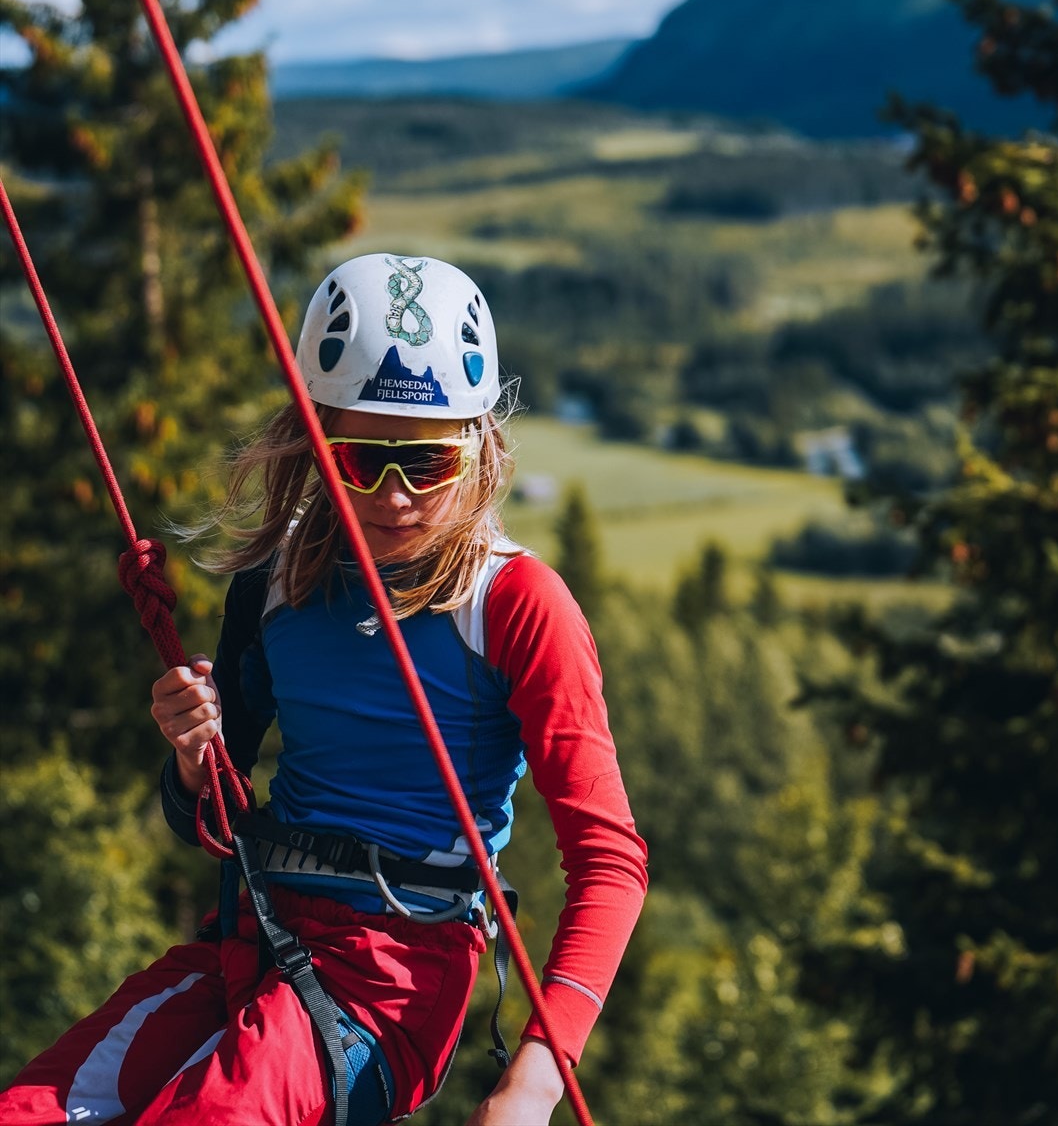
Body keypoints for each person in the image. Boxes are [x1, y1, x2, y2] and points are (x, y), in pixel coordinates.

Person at [0, 254, 648, 1126]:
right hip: (254, 935)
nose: (395, 496)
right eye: (362, 459)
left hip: (397, 977)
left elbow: (610, 862)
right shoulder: (275, 583)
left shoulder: (516, 605)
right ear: (316, 444)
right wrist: (194, 762)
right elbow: (211, 821)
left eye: (427, 463)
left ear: (479, 448)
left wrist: (531, 1085)